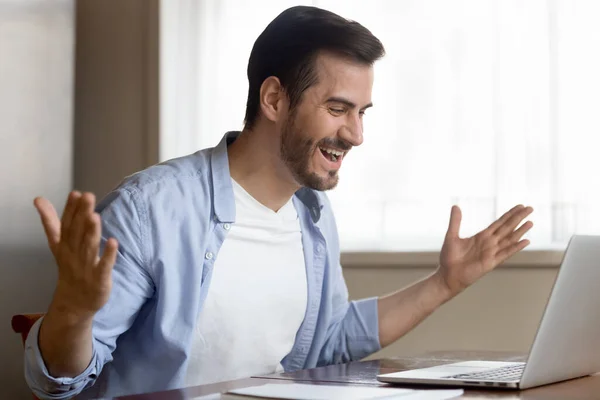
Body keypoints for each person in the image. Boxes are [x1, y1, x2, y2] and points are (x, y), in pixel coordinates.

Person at [25, 5, 534, 399]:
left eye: (362, 113)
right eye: (338, 108)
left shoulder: (311, 214)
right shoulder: (151, 210)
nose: (355, 134)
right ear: (273, 100)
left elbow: (328, 341)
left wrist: (446, 283)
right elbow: (60, 382)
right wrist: (72, 313)